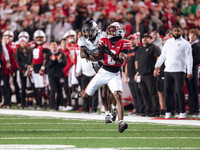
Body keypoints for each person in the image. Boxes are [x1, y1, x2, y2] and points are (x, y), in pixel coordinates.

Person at [79, 22, 131, 133]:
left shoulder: (125, 42)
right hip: (103, 71)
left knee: (118, 95)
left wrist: (111, 54)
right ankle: (77, 94)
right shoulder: (104, 41)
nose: (110, 32)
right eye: (110, 30)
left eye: (113, 30)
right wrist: (92, 55)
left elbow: (121, 60)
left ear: (120, 31)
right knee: (85, 95)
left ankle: (121, 123)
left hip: (115, 73)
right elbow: (97, 57)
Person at [77, 20, 117, 123]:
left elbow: (100, 54)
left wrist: (90, 54)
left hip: (107, 63)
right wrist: (93, 55)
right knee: (104, 89)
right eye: (85, 31)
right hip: (97, 66)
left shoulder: (102, 35)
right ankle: (108, 112)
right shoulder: (82, 40)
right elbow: (82, 54)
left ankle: (114, 107)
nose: (87, 34)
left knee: (110, 88)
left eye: (89, 31)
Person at [154, 25, 193, 119]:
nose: (176, 32)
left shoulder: (186, 43)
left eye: (178, 31)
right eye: (174, 31)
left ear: (181, 32)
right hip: (168, 70)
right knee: (166, 91)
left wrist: (189, 71)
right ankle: (168, 112)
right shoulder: (168, 42)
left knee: (179, 91)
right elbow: (163, 55)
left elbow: (189, 58)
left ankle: (182, 112)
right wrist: (157, 66)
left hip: (179, 70)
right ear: (172, 32)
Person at [135, 33, 161, 117]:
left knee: (152, 92)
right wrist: (137, 72)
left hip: (150, 73)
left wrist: (156, 69)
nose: (144, 39)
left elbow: (158, 57)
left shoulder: (154, 47)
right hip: (141, 74)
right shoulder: (140, 49)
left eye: (146, 38)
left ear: (150, 39)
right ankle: (148, 110)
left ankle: (156, 111)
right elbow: (137, 61)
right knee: (144, 93)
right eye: (143, 38)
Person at [124, 34, 144, 115]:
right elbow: (127, 64)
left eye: (133, 39)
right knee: (133, 93)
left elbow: (139, 62)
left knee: (138, 92)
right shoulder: (128, 50)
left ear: (136, 40)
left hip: (136, 74)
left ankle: (141, 109)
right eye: (130, 40)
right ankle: (137, 108)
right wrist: (126, 75)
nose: (131, 41)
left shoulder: (138, 49)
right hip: (130, 75)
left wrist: (138, 73)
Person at [45, 41, 66, 110]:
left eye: (55, 45)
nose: (54, 46)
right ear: (50, 46)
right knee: (53, 89)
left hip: (59, 74)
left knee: (59, 90)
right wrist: (52, 61)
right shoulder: (48, 55)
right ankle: (52, 106)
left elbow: (64, 64)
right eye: (52, 45)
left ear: (57, 46)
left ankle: (58, 105)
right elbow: (47, 65)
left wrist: (59, 60)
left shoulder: (61, 54)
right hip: (51, 75)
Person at [186, 28, 200, 116]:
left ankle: (194, 108)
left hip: (192, 69)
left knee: (193, 89)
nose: (191, 36)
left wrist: (189, 65)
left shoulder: (197, 46)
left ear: (196, 36)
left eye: (193, 35)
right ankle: (192, 108)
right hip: (188, 69)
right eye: (190, 34)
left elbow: (197, 59)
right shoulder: (188, 45)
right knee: (190, 89)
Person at [15, 37, 32, 108]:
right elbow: (18, 60)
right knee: (23, 86)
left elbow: (31, 58)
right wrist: (25, 66)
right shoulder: (18, 50)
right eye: (21, 42)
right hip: (22, 69)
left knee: (31, 86)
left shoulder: (29, 49)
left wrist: (30, 65)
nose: (23, 43)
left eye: (24, 42)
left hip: (30, 69)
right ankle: (23, 103)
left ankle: (31, 102)